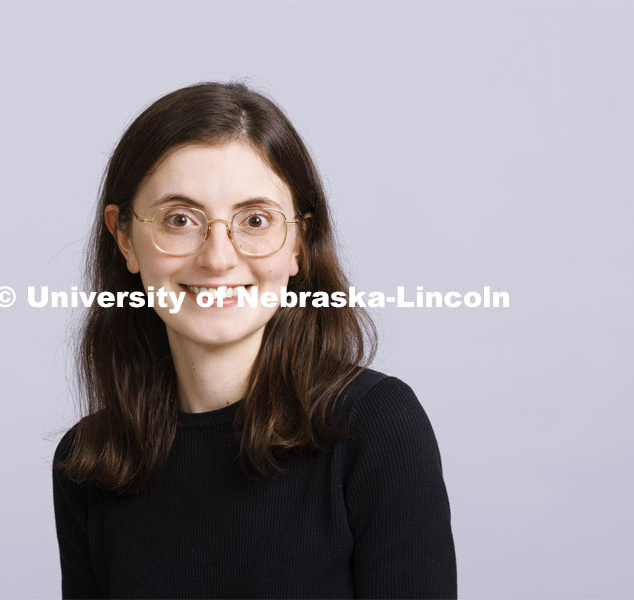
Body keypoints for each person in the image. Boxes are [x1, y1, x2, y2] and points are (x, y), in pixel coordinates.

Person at [52, 81, 457, 599]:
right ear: (125, 237)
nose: (218, 258)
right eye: (180, 220)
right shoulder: (89, 460)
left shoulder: (374, 426)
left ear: (298, 243)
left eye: (256, 220)